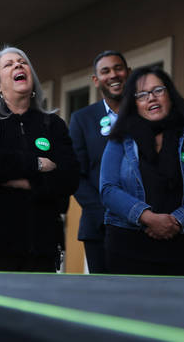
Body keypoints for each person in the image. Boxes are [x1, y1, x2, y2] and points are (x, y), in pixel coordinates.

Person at [0, 47, 78, 272]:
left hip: (42, 250)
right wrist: (37, 164)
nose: (18, 65)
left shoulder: (52, 124)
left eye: (22, 62)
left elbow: (69, 178)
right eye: (9, 64)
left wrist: (22, 181)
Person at [99, 66, 184, 275]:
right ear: (134, 104)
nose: (151, 98)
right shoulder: (120, 138)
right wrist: (148, 217)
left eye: (158, 90)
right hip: (128, 248)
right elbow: (108, 189)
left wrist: (178, 219)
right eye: (141, 95)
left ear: (170, 95)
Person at [69, 50, 130, 273]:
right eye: (105, 71)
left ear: (128, 73)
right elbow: (75, 175)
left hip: (143, 227)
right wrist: (106, 212)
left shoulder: (145, 113)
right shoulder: (82, 119)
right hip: (99, 226)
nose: (113, 75)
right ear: (96, 80)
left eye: (118, 68)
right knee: (104, 297)